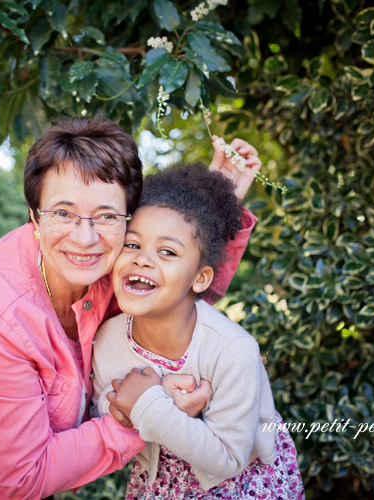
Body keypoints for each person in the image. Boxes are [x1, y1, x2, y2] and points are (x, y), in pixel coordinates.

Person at [0, 115, 262, 499]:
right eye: (63, 213)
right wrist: (147, 413)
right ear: (34, 216)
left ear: (127, 218)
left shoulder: (116, 260)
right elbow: (27, 475)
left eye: (106, 215)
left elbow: (176, 293)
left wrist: (212, 200)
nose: (85, 237)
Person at [92, 163, 304, 499]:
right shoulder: (107, 341)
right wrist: (122, 405)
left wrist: (149, 405)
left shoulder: (233, 350)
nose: (143, 260)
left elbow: (230, 457)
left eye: (167, 251)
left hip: (242, 486)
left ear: (200, 278)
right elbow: (101, 403)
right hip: (160, 484)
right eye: (132, 245)